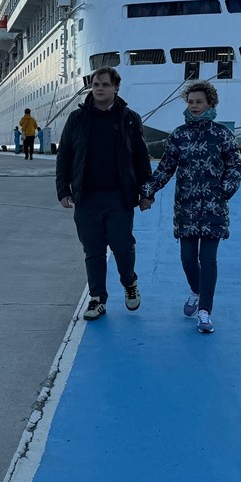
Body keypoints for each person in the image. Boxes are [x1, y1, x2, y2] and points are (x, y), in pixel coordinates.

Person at [139, 80, 241, 334]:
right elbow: (165, 168)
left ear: (210, 104)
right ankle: (196, 291)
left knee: (208, 260)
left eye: (199, 102)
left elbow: (235, 167)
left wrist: (223, 192)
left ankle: (205, 311)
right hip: (186, 206)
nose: (194, 106)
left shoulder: (222, 134)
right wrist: (147, 191)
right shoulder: (178, 135)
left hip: (213, 207)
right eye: (191, 102)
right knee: (187, 258)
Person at [55, 67, 153, 320]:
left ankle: (129, 282)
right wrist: (63, 189)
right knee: (93, 250)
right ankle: (97, 298)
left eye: (105, 85)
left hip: (119, 197)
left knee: (123, 246)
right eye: (96, 84)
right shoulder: (77, 118)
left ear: (116, 88)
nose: (99, 89)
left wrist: (146, 192)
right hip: (86, 198)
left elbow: (141, 158)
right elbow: (64, 154)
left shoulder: (129, 118)